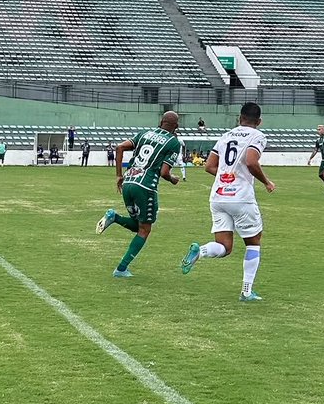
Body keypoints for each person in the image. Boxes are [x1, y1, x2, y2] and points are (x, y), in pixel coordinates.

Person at [181, 102, 275, 303]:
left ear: (239, 118)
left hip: (218, 197)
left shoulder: (225, 136)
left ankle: (201, 251)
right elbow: (251, 161)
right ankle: (246, 292)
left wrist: (227, 176)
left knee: (224, 246)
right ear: (259, 121)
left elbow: (209, 166)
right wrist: (266, 181)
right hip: (240, 198)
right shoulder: (257, 136)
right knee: (253, 243)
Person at [96, 111, 181, 278]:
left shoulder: (144, 133)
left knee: (137, 225)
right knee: (144, 229)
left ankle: (114, 217)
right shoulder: (173, 142)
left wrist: (119, 175)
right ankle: (121, 269)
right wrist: (173, 179)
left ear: (160, 122)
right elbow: (164, 172)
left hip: (128, 182)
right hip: (145, 187)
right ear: (176, 126)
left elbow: (120, 147)